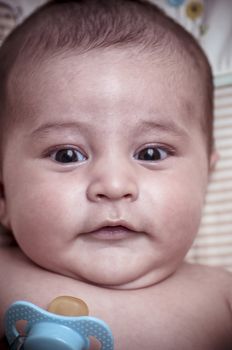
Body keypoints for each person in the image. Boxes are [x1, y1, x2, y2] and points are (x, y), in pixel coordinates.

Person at [0, 0, 231, 349]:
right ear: (3, 195)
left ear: (205, 180)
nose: (113, 185)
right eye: (67, 155)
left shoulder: (221, 298)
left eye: (151, 153)